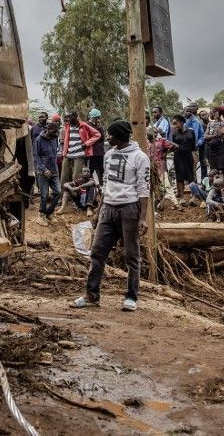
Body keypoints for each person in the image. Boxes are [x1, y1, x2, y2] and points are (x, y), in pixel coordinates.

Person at [72, 120, 150, 312]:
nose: (108, 137)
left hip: (129, 209)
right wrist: (99, 210)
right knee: (97, 252)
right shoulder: (108, 155)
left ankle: (131, 297)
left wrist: (142, 217)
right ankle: (92, 295)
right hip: (108, 208)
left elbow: (143, 189)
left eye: (111, 134)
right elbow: (105, 185)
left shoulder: (140, 157)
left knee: (132, 255)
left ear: (121, 136)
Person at [59, 111, 101, 211]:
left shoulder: (84, 125)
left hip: (79, 155)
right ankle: (63, 199)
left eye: (70, 117)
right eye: (67, 118)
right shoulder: (67, 126)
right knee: (64, 178)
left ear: (75, 117)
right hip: (67, 155)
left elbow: (97, 134)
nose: (68, 119)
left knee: (76, 178)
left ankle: (76, 201)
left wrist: (86, 144)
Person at [33, 120, 62, 226]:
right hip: (43, 172)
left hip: (54, 171)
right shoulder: (39, 140)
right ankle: (41, 214)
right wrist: (43, 169)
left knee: (58, 192)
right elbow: (37, 156)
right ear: (49, 130)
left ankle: (49, 213)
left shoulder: (55, 138)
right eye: (54, 131)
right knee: (44, 195)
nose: (56, 133)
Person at [146, 127, 177, 206]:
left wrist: (166, 153)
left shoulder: (162, 141)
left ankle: (175, 203)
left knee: (166, 184)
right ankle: (155, 204)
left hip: (160, 166)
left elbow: (175, 146)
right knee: (152, 186)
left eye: (153, 133)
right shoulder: (146, 142)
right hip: (149, 167)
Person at [171, 115, 197, 205]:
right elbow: (172, 146)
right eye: (173, 123)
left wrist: (193, 154)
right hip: (178, 156)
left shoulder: (191, 132)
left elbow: (193, 145)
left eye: (175, 123)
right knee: (180, 176)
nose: (174, 125)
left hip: (188, 156)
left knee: (191, 176)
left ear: (181, 122)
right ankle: (182, 198)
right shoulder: (174, 134)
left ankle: (193, 197)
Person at [183, 106, 206, 181]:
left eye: (190, 111)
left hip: (193, 149)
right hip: (184, 149)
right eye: (187, 111)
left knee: (192, 167)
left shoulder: (197, 122)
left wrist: (198, 144)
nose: (188, 112)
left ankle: (193, 185)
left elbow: (202, 136)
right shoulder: (182, 122)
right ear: (184, 111)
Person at [87, 109, 106, 185]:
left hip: (100, 151)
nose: (98, 119)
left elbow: (102, 138)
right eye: (96, 118)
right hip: (92, 152)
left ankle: (101, 185)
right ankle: (89, 186)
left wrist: (99, 127)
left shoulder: (99, 126)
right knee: (91, 169)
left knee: (101, 169)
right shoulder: (87, 125)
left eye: (98, 118)